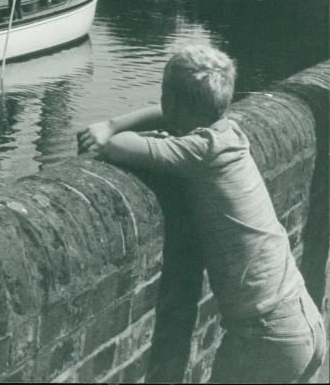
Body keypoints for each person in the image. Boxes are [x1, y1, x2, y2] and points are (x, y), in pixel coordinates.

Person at [77, 45, 325, 385]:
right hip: (303, 318)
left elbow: (119, 146)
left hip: (265, 335)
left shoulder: (198, 152)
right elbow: (172, 120)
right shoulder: (228, 135)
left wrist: (110, 126)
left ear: (171, 102)